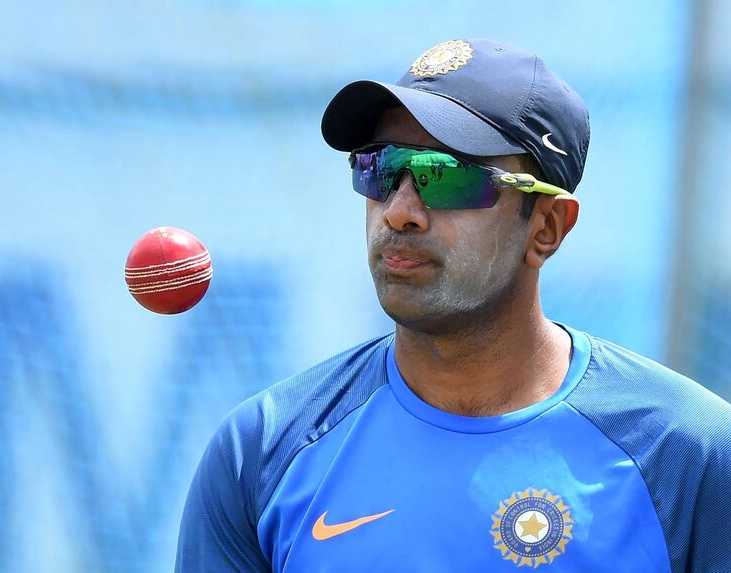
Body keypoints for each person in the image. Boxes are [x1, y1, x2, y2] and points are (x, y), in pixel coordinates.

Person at [175, 39, 731, 572]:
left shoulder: (691, 455)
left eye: (446, 177)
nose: (399, 212)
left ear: (545, 228)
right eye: (381, 171)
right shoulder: (260, 453)